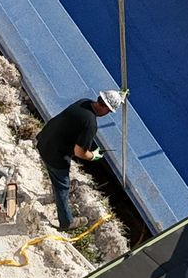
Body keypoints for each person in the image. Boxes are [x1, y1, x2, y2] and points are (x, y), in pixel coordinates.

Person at [35, 90, 122, 231]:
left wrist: (120, 96)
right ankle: (67, 222)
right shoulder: (90, 124)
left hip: (45, 139)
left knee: (57, 178)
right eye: (110, 111)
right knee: (62, 186)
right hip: (55, 155)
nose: (108, 114)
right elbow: (79, 152)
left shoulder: (83, 102)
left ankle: (56, 191)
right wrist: (94, 156)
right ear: (106, 108)